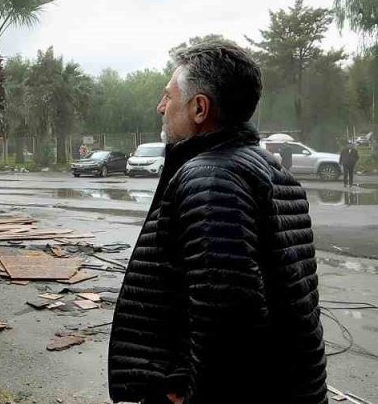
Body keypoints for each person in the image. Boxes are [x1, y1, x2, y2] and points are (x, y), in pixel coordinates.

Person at [108, 40, 326, 404]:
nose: (160, 107)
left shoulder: (210, 178)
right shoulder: (265, 167)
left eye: (168, 97)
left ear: (199, 108)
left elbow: (231, 320)